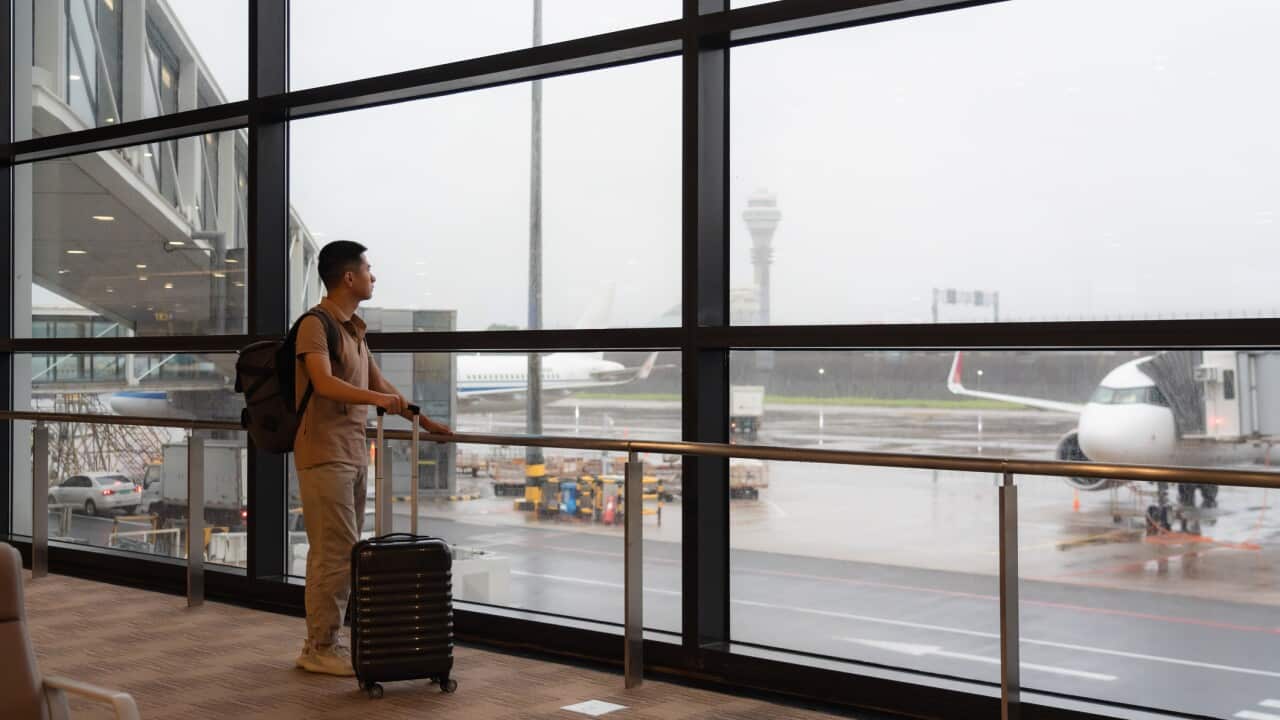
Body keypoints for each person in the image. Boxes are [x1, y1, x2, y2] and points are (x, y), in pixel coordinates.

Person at [292, 240, 453, 676]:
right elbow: (324, 383)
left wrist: (425, 421)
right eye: (368, 268)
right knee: (337, 551)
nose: (373, 276)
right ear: (349, 277)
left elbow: (387, 391)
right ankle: (320, 647)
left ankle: (323, 640)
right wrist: (377, 398)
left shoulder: (354, 332)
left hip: (350, 453)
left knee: (334, 550)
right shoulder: (315, 325)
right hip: (324, 453)